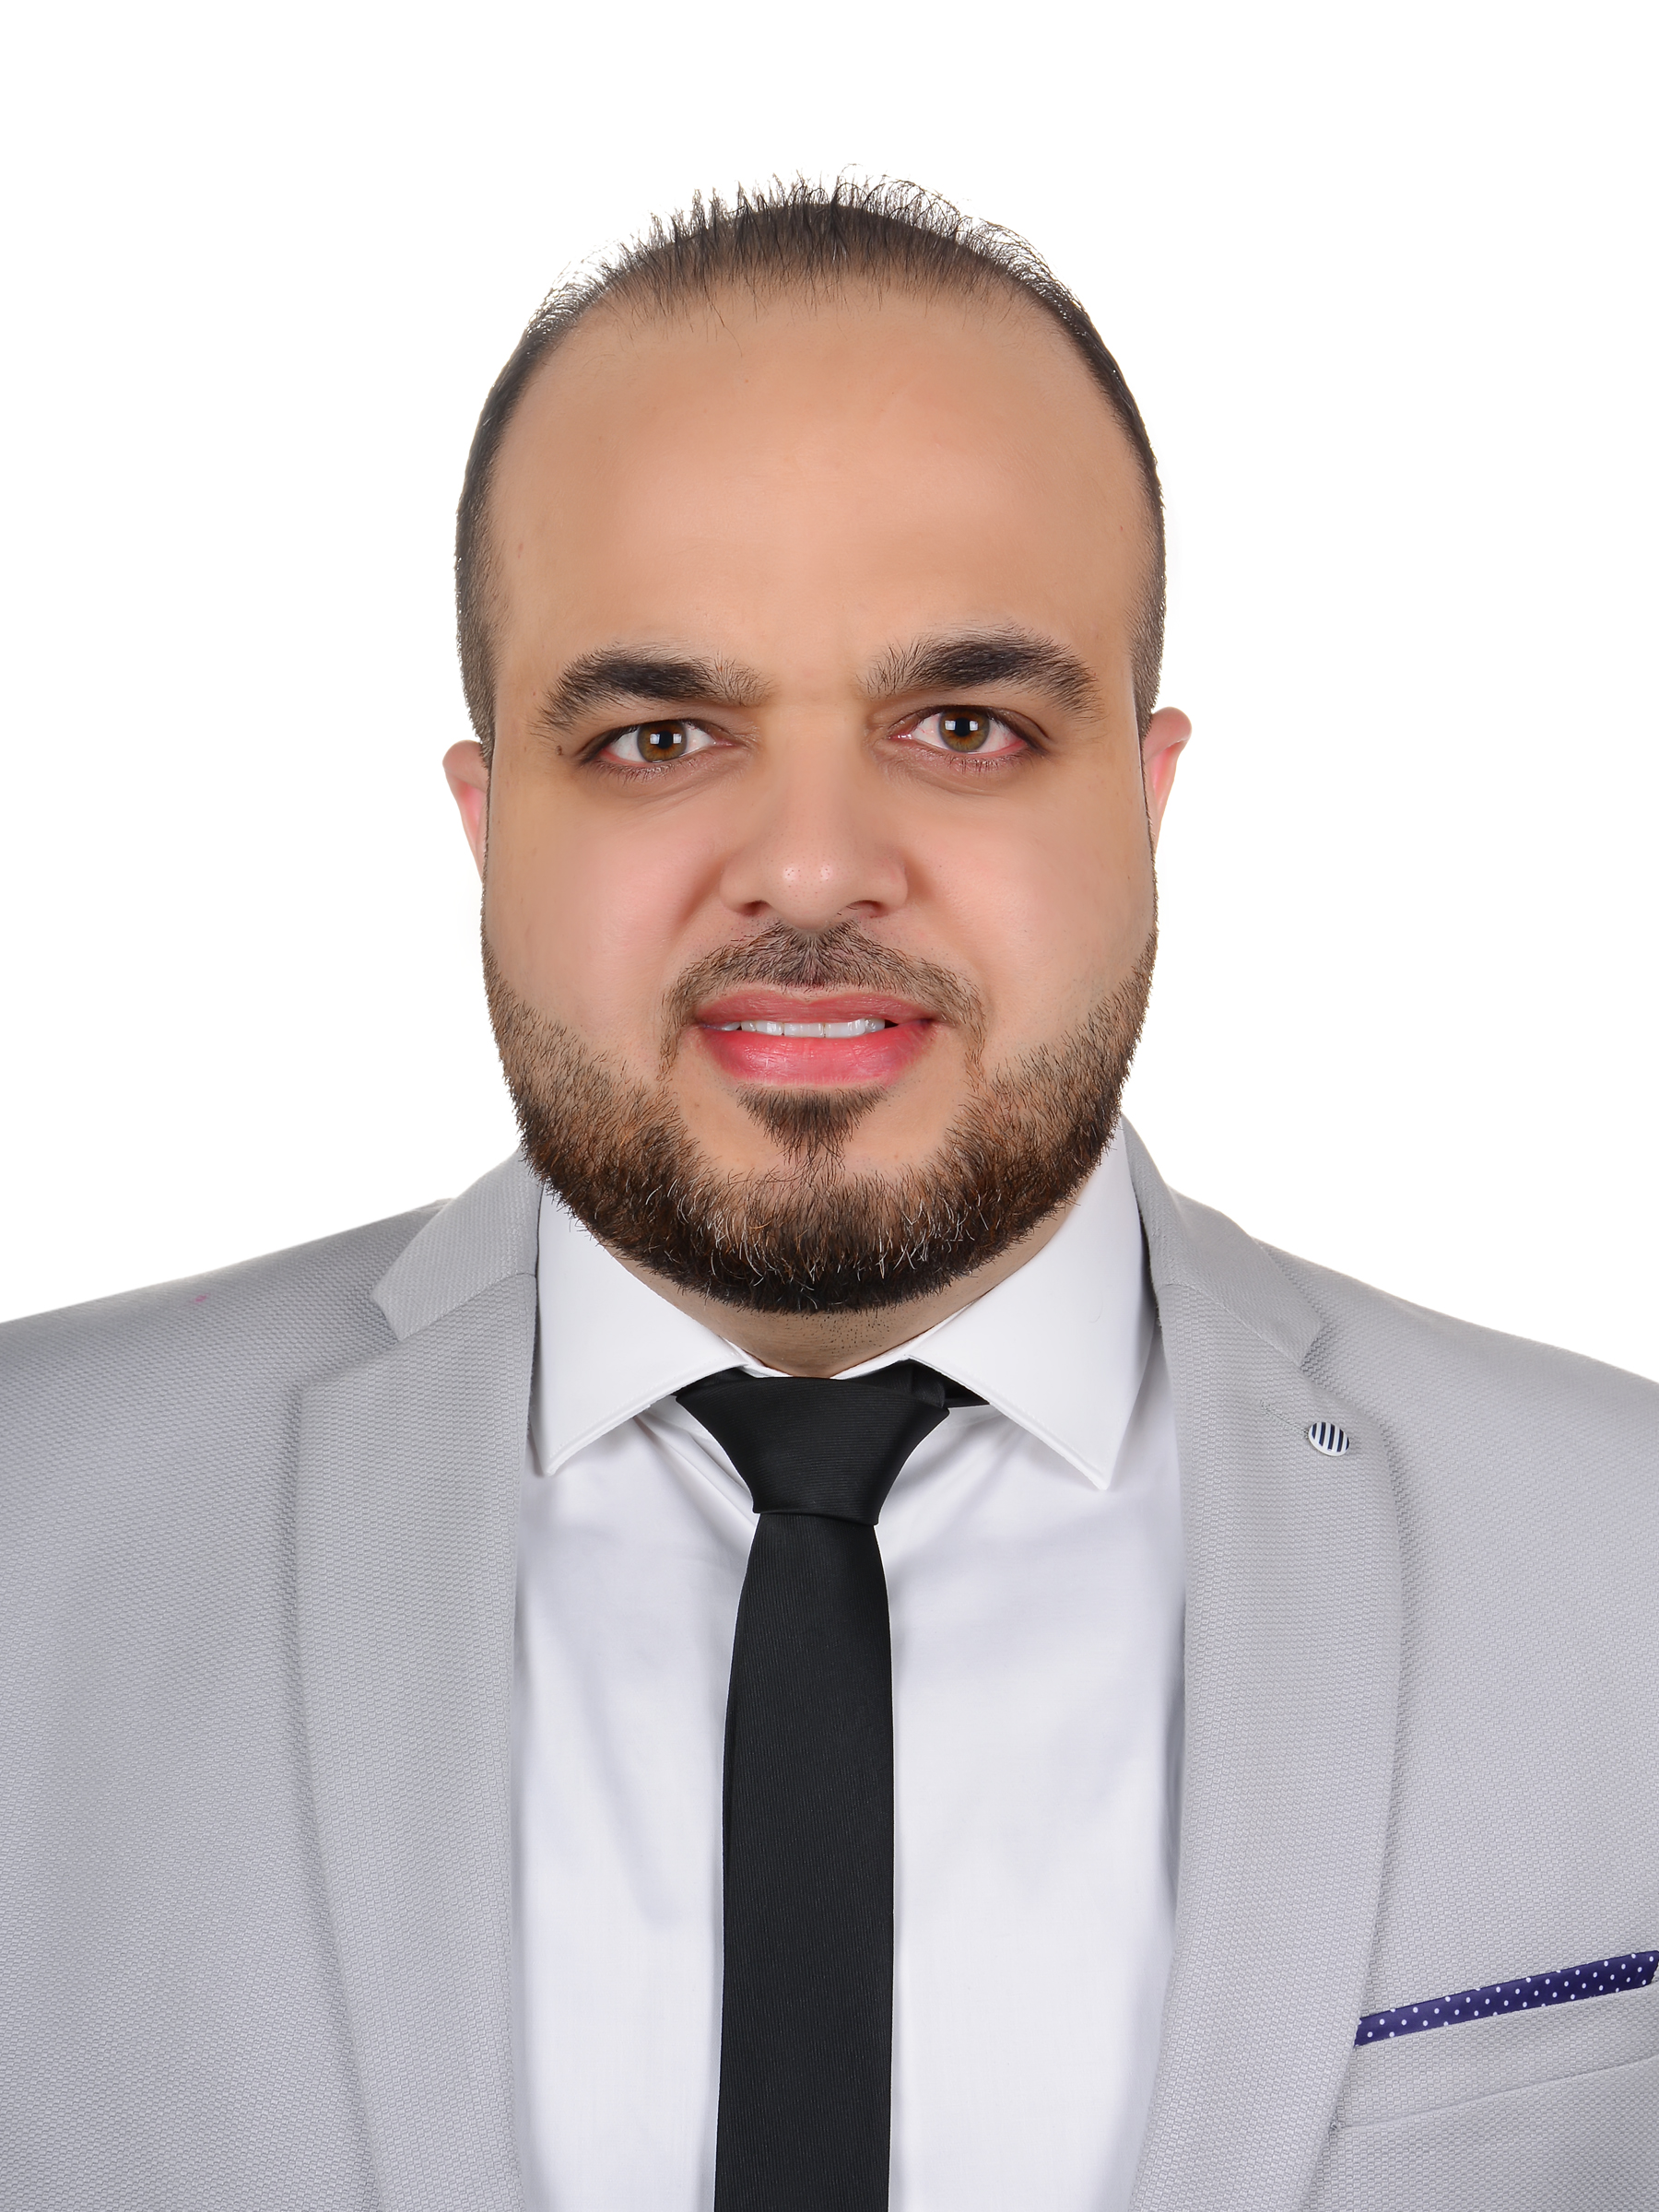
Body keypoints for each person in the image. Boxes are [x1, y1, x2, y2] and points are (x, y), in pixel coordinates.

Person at [2, 179, 1654, 2212]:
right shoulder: (26, 1524)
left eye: (965, 727)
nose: (807, 867)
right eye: (658, 734)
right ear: (486, 821)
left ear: (1146, 802)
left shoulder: (1628, 1556)